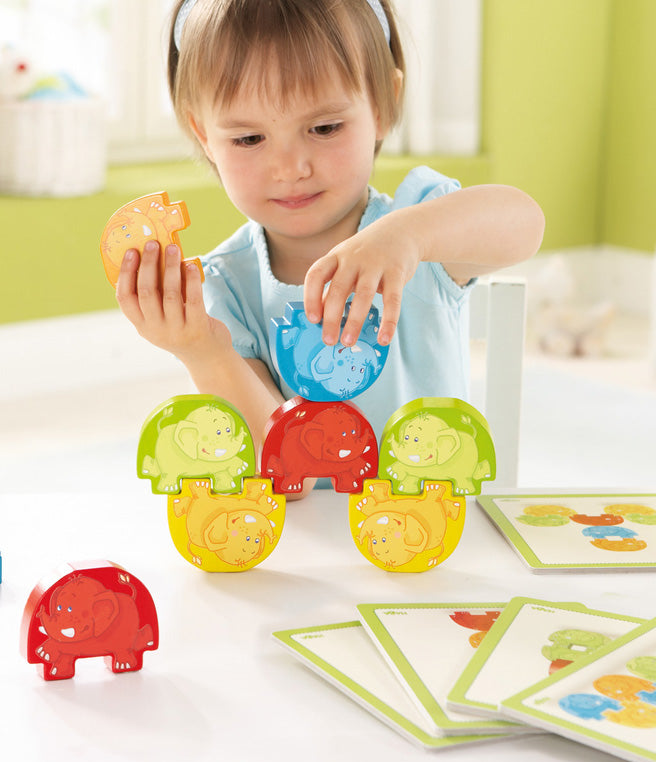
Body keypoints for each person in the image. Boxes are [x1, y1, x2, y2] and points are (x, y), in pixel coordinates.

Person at [116, 0, 544, 484]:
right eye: (249, 139)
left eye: (323, 128)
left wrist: (411, 235)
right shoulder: (224, 286)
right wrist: (205, 353)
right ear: (203, 134)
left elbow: (525, 224)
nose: (291, 168)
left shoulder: (420, 228)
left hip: (430, 540)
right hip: (310, 553)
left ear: (382, 107)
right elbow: (282, 477)